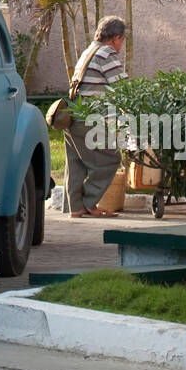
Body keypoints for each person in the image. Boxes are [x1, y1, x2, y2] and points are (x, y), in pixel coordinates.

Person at [64, 15, 126, 219]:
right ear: (116, 38)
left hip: (72, 115)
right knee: (110, 158)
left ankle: (75, 207)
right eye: (122, 40)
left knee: (76, 164)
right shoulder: (106, 54)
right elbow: (124, 88)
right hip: (89, 118)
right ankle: (90, 203)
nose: (121, 45)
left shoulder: (89, 51)